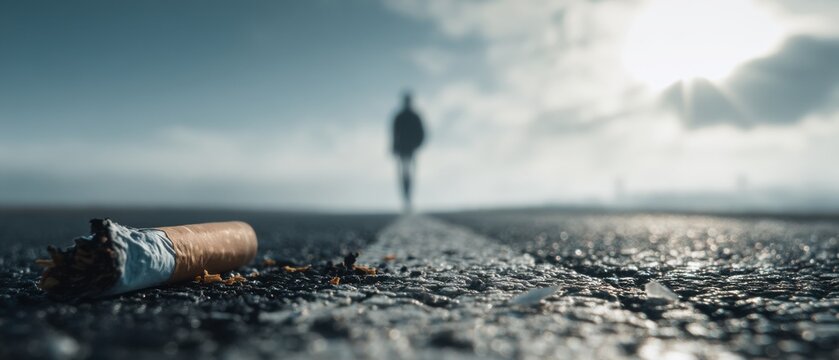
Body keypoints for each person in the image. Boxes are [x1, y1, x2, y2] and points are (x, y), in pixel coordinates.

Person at [391, 92, 425, 212]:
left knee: (408, 174)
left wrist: (416, 144)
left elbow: (422, 133)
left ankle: (408, 199)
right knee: (405, 174)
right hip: (403, 150)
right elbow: (394, 134)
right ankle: (406, 199)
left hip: (410, 149)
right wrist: (394, 147)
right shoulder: (401, 117)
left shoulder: (413, 117)